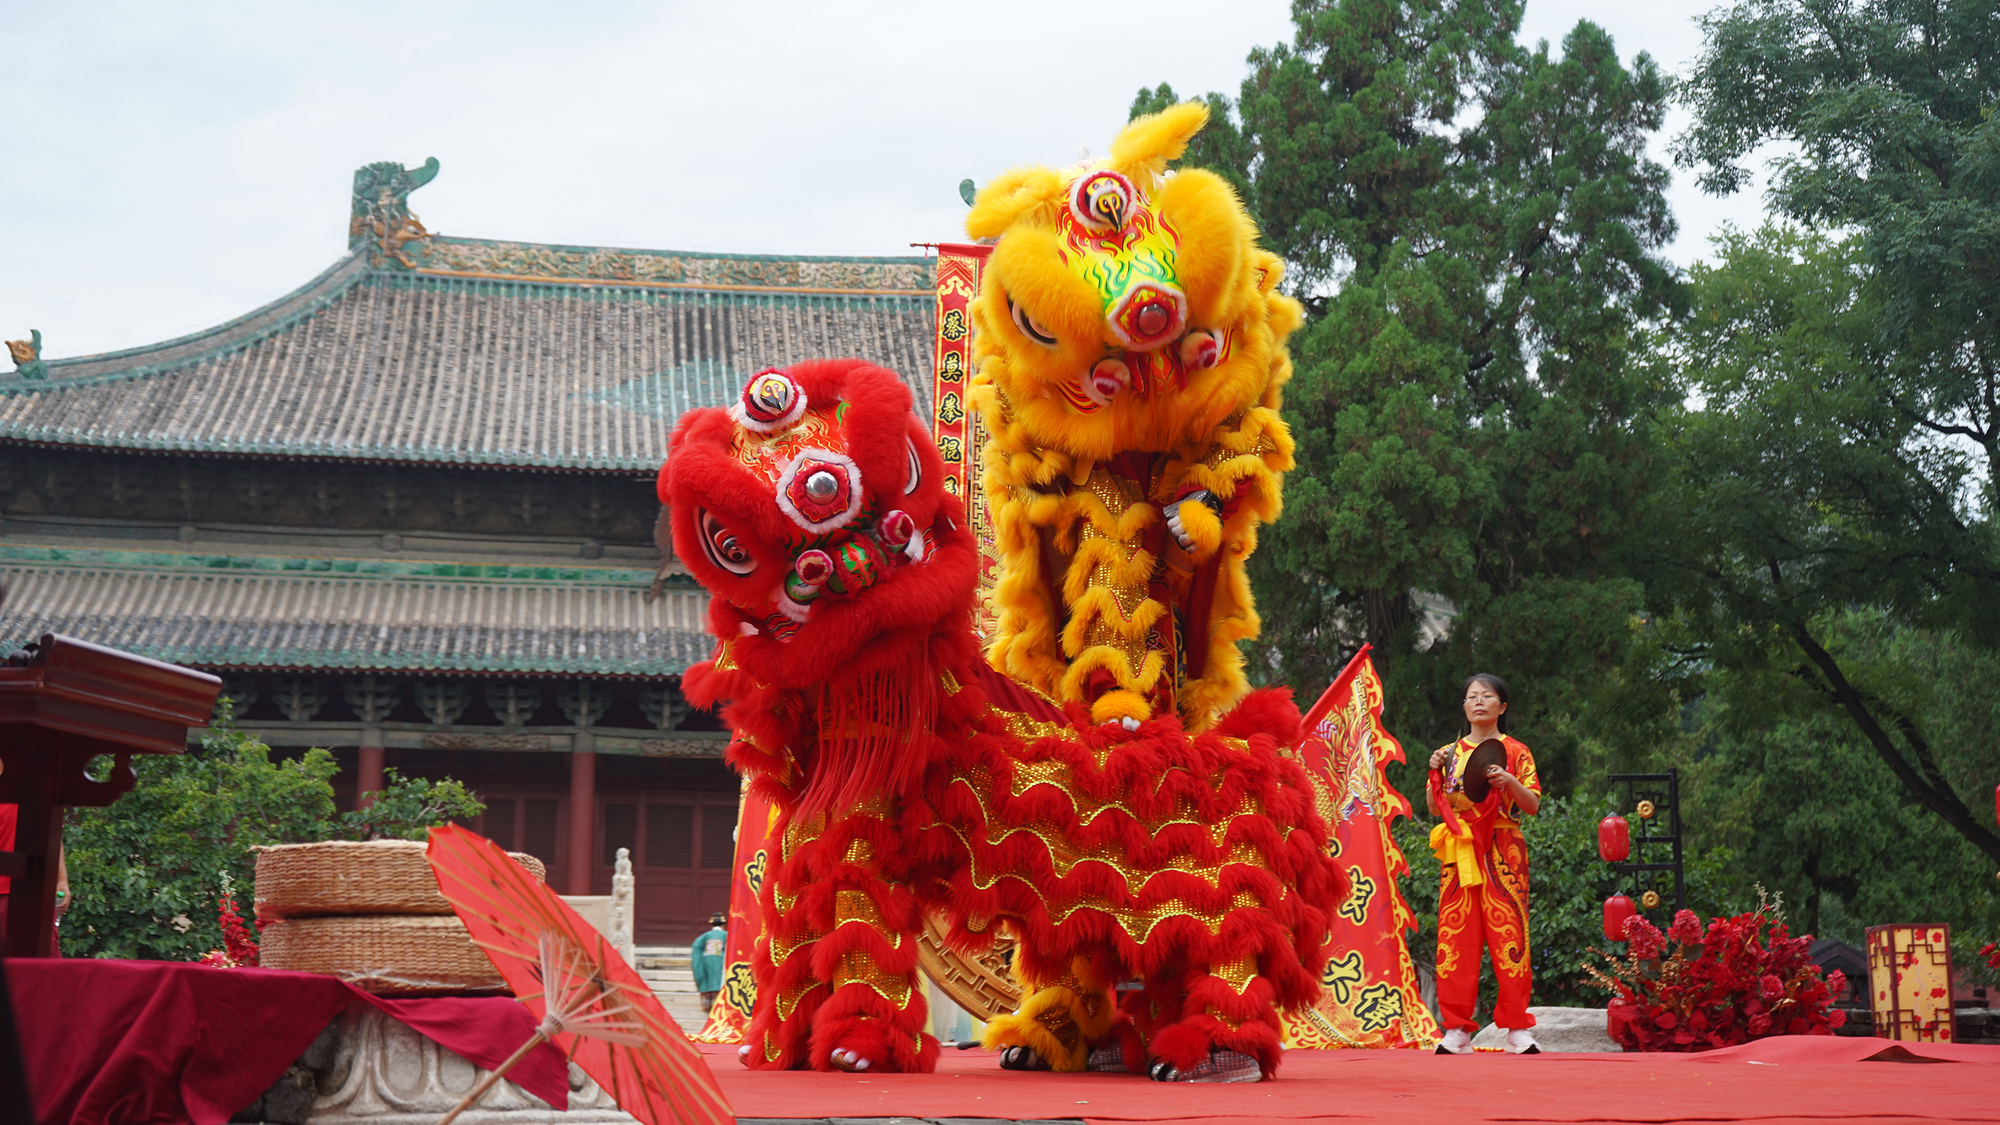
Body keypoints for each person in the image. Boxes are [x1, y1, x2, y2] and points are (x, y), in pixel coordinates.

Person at [1426, 673, 1540, 1055]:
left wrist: (1509, 781)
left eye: (1487, 697)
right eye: (1471, 697)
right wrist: (1434, 776)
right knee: (1456, 937)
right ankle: (1457, 1029)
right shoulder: (1450, 753)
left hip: (1504, 847)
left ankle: (1516, 1029)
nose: (1478, 702)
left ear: (1501, 706)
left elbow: (1533, 805)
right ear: (1464, 706)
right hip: (1461, 848)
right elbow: (1434, 808)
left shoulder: (1517, 752)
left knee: (1510, 935)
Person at [692, 912, 727, 1014]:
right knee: (718, 980)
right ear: (723, 924)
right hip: (720, 960)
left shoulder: (705, 936)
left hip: (705, 960)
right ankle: (717, 1005)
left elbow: (696, 946)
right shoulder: (726, 935)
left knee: (706, 980)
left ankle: (707, 1004)